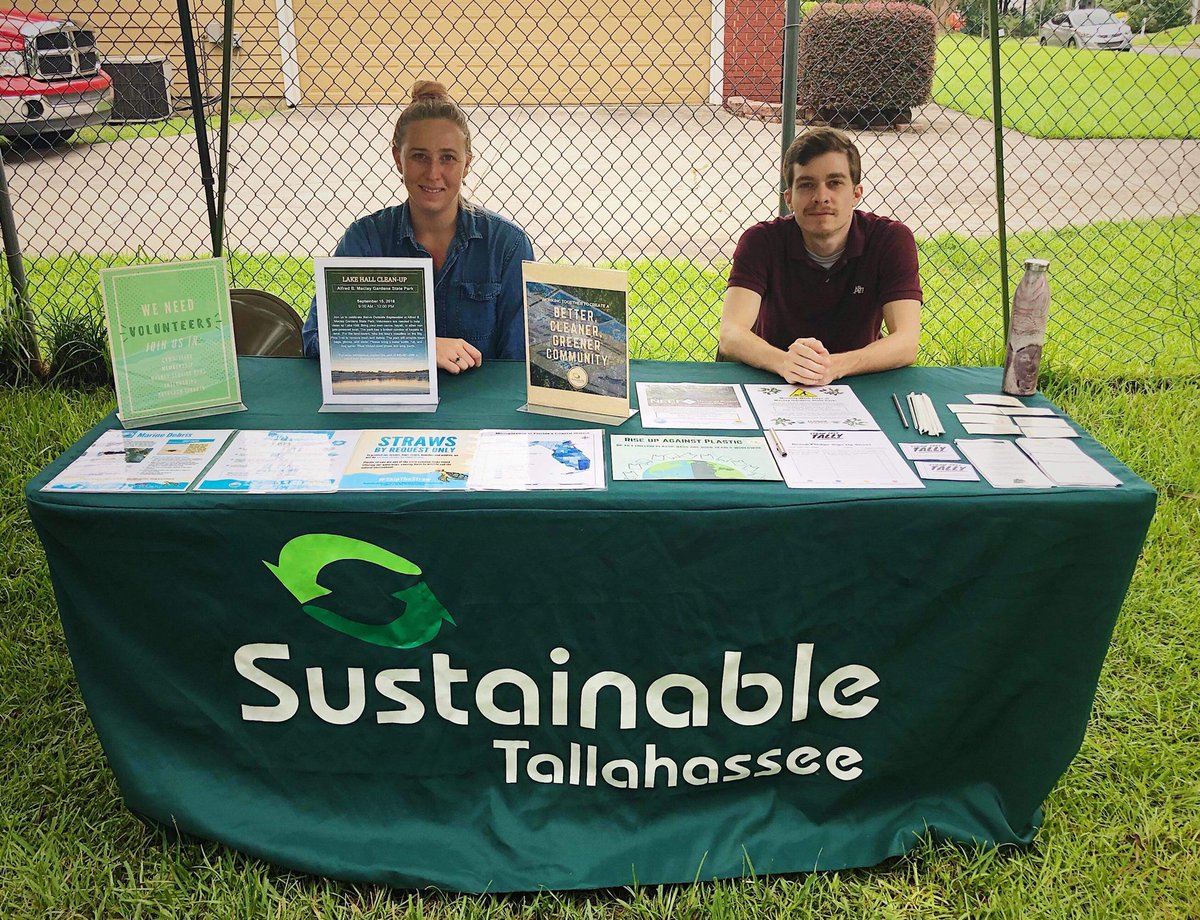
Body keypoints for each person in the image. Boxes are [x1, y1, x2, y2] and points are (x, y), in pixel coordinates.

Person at [302, 81, 534, 373]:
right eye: (419, 157)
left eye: (447, 158)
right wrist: (420, 347)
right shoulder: (366, 241)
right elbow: (316, 339)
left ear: (467, 165)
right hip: (391, 407)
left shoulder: (507, 245)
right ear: (398, 159)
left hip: (478, 412)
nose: (433, 172)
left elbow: (519, 361)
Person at [718, 127, 922, 387]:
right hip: (774, 379)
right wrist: (786, 363)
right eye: (807, 185)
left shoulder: (890, 239)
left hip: (859, 380)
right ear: (789, 198)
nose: (821, 197)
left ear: (856, 193)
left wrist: (833, 367)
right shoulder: (761, 241)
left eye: (834, 183)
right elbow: (731, 334)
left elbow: (906, 342)